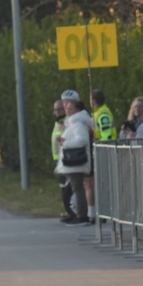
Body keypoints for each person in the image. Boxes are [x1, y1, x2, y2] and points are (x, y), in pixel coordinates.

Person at [55, 91, 94, 226]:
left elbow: (82, 140)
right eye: (66, 108)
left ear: (77, 109)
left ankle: (82, 216)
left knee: (77, 189)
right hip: (73, 162)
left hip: (76, 162)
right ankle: (76, 214)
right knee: (74, 189)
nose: (67, 110)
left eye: (70, 108)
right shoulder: (73, 122)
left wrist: (64, 143)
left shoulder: (77, 122)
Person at [51, 99, 75, 222]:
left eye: (60, 109)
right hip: (58, 159)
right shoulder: (57, 123)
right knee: (62, 187)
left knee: (68, 187)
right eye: (56, 110)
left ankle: (72, 211)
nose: (58, 112)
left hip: (66, 159)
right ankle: (67, 210)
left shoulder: (67, 122)